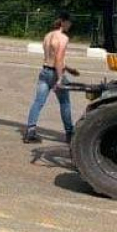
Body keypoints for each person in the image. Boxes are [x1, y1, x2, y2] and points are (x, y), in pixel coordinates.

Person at [23, 13, 74, 144]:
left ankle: (30, 131)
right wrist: (60, 77)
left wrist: (67, 67)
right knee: (65, 103)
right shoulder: (63, 38)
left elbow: (51, 57)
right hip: (55, 73)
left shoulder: (47, 36)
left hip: (45, 71)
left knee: (38, 102)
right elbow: (58, 58)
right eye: (69, 22)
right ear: (63, 22)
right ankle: (70, 133)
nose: (70, 25)